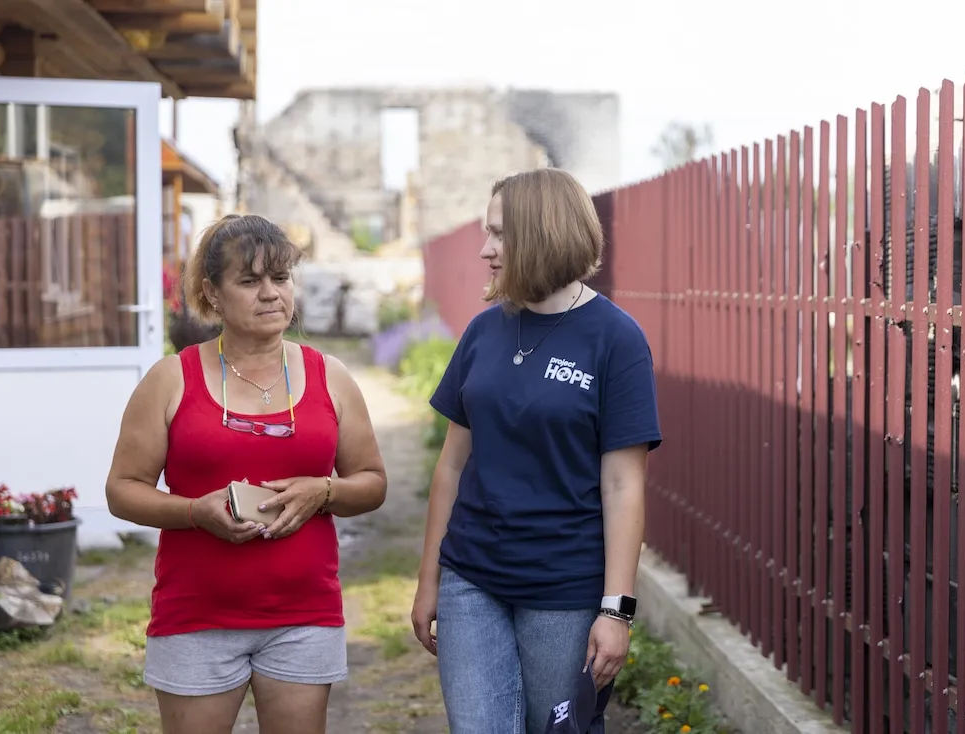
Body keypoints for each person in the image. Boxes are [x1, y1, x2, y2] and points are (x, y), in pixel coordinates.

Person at [105, 213, 388, 734]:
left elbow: (371, 481)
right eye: (249, 280)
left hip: (303, 616)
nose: (270, 294)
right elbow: (122, 491)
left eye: (280, 279)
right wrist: (194, 512)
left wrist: (323, 492)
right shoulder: (171, 379)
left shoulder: (332, 376)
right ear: (212, 293)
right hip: (195, 618)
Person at [410, 168, 662, 733]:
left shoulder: (616, 340)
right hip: (471, 581)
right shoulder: (483, 332)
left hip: (564, 591)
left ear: (542, 233)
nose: (484, 249)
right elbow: (451, 466)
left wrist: (615, 610)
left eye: (499, 234)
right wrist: (430, 580)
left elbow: (623, 486)